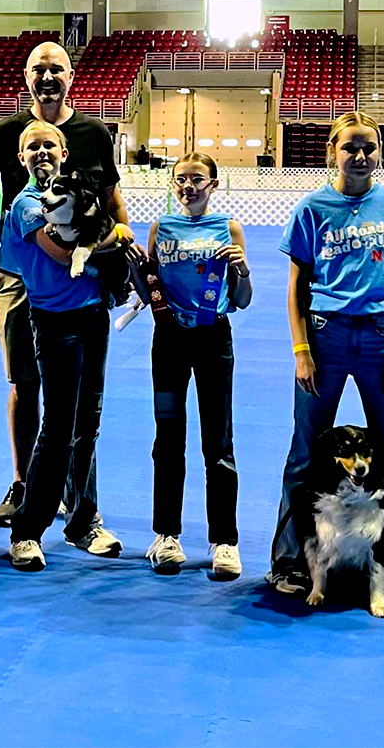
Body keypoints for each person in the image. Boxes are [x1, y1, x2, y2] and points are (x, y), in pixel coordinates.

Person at [268, 111, 384, 602]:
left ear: (379, 152)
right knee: (304, 455)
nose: (360, 156)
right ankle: (291, 561)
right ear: (331, 152)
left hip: (382, 337)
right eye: (350, 147)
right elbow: (296, 286)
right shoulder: (311, 208)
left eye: (369, 148)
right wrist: (301, 350)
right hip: (324, 336)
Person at [0, 40, 130, 529]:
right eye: (38, 69)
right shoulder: (5, 134)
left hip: (82, 280)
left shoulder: (92, 133)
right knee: (25, 383)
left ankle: (76, 497)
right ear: (25, 77)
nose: (47, 76)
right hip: (20, 280)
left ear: (70, 77)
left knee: (83, 399)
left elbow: (112, 201)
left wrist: (124, 265)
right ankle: (24, 485)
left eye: (56, 68)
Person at [6, 120, 128, 571]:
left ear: (63, 154)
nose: (41, 152)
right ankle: (27, 530)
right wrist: (112, 236)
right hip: (54, 321)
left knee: (88, 423)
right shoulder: (24, 204)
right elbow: (63, 250)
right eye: (32, 147)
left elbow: (102, 227)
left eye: (49, 146)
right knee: (58, 428)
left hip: (93, 314)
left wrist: (108, 235)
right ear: (21, 159)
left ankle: (82, 522)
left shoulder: (76, 195)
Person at [142, 153, 252, 577]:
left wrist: (241, 271)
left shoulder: (229, 228)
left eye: (197, 179)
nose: (188, 186)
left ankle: (224, 541)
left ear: (214, 184)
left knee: (218, 442)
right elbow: (149, 285)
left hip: (213, 339)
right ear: (173, 184)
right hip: (168, 341)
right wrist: (136, 268)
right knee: (167, 437)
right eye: (181, 179)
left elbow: (242, 300)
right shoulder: (159, 228)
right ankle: (166, 535)